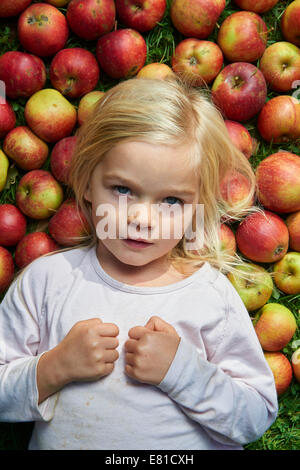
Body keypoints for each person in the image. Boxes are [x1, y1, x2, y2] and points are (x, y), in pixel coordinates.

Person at [0, 77, 278, 450]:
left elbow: (255, 415)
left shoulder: (211, 295)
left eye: (172, 201)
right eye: (123, 189)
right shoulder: (47, 282)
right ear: (86, 183)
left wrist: (185, 372)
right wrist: (53, 368)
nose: (142, 218)